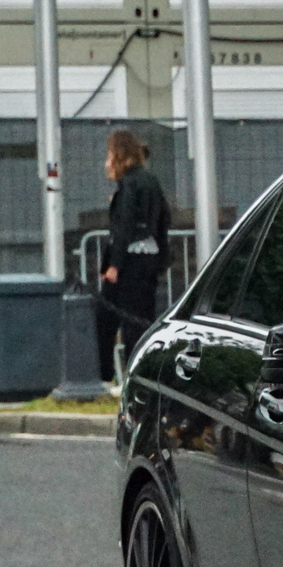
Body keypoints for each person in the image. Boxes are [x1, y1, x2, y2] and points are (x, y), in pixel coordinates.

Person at [97, 129, 170, 381]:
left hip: (128, 263)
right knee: (140, 320)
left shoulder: (128, 184)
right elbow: (164, 219)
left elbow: (124, 227)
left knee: (107, 320)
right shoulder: (151, 181)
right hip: (148, 259)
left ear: (119, 155)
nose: (107, 162)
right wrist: (161, 259)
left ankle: (109, 376)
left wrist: (114, 266)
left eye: (109, 155)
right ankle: (141, 375)